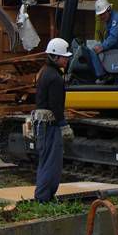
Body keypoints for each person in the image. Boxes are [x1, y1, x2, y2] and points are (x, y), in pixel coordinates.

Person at [33, 37, 73, 202]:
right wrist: (64, 125)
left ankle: (44, 197)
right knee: (52, 163)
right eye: (64, 57)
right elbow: (56, 106)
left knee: (46, 160)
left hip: (43, 125)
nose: (67, 59)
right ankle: (43, 199)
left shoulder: (45, 72)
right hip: (50, 125)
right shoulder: (55, 78)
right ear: (55, 57)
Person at [89, 0, 118, 82]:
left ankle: (102, 76)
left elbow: (113, 38)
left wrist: (102, 47)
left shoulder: (117, 19)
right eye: (100, 15)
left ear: (109, 10)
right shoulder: (109, 19)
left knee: (93, 51)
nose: (101, 17)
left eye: (103, 14)